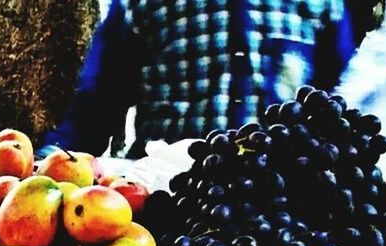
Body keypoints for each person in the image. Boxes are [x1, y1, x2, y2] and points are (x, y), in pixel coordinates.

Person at [44, 0, 358, 157]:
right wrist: (46, 165)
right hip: (168, 209)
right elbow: (95, 109)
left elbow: (340, 102)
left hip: (283, 211)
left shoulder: (323, 4)